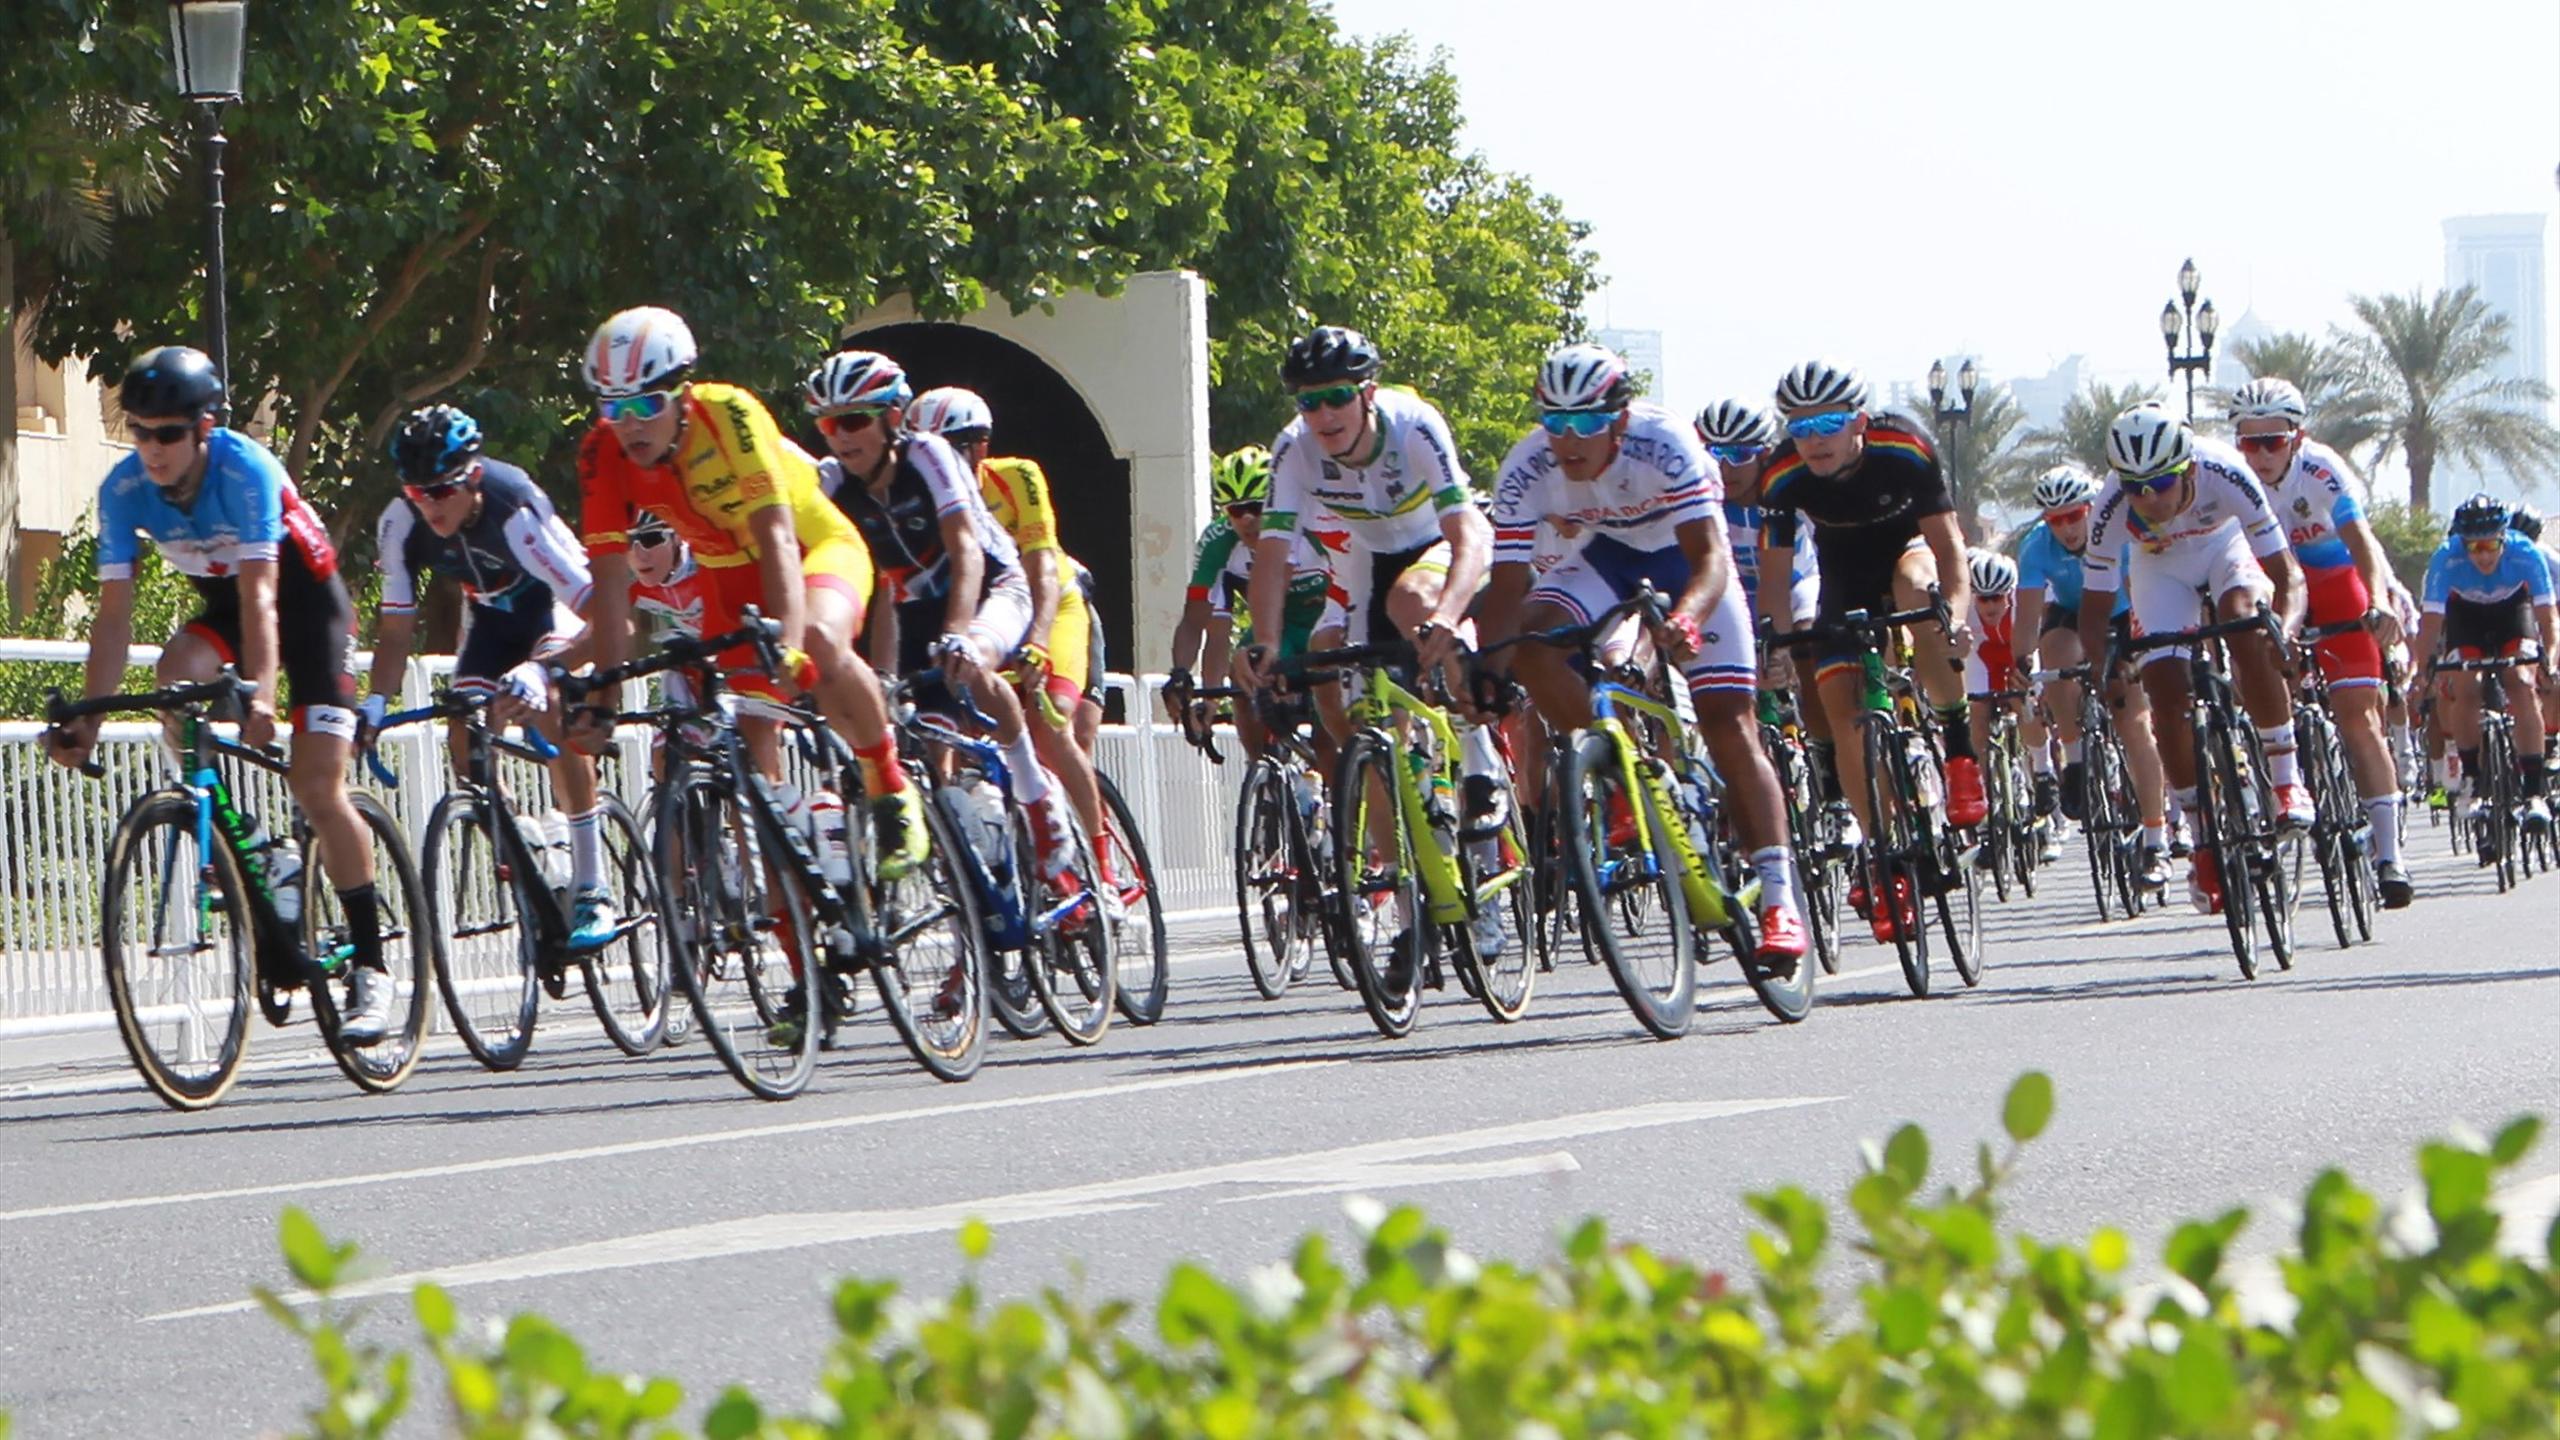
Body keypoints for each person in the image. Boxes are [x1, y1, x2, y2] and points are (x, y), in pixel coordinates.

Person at [49, 346, 395, 1041]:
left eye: (168, 433)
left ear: (204, 429)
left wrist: (262, 696)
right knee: (173, 673)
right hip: (228, 609)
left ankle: (373, 967)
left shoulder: (245, 468)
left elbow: (264, 595)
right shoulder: (124, 490)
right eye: (139, 431)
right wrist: (85, 718)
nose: (152, 447)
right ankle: (258, 850)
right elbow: (114, 617)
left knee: (318, 785)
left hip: (306, 607)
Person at [1478, 344, 1807, 962]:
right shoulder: (1527, 467)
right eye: (1555, 422)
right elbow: (1506, 587)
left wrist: (1685, 618)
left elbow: (1711, 559)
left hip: (1684, 561)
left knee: (1729, 722)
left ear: (1620, 420)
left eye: (1586, 424)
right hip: (1608, 557)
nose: (1568, 441)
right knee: (1529, 639)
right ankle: (1618, 772)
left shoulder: (1666, 442)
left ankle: (1780, 901)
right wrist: (1487, 673)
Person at [572, 307, 922, 879]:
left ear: (681, 394)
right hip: (725, 575)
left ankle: (888, 784)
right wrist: (604, 701)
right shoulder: (600, 453)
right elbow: (612, 590)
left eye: (645, 405)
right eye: (613, 408)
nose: (629, 424)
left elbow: (777, 535)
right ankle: (801, 920)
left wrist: (788, 641)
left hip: (812, 549)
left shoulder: (729, 413)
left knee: (816, 641)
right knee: (756, 771)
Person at [808, 350, 1086, 884]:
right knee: (923, 729)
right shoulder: (833, 483)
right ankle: (964, 876)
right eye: (827, 424)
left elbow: (965, 549)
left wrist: (960, 632)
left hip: (992, 586)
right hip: (918, 608)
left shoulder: (929, 455)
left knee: (973, 662)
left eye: (853, 420)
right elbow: (871, 587)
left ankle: (1036, 794)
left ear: (892, 418)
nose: (840, 437)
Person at [360, 404, 619, 948]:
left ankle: (594, 887)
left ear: (472, 477)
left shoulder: (515, 510)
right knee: (465, 737)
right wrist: (375, 704)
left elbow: (605, 619)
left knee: (552, 717)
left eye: (440, 491)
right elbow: (395, 631)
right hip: (492, 621)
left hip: (553, 611)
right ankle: (526, 853)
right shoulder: (401, 523)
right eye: (415, 491)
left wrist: (544, 669)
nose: (428, 504)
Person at [1242, 325, 1506, 832]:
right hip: (1372, 554)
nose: (1324, 415)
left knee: (1411, 600)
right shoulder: (1294, 449)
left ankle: (1478, 758)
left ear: (1367, 393)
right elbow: (1273, 554)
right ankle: (1419, 870)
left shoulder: (1413, 425)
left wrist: (1448, 615)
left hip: (1439, 542)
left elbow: (1466, 528)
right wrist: (1267, 641)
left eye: (1338, 397)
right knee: (1371, 717)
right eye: (1309, 402)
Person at [1757, 359, 1978, 941]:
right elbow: (1775, 580)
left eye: (1827, 423)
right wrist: (1779, 646)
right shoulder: (1782, 473)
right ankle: (1882, 851)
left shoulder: (1903, 445)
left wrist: (1954, 616)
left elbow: (1949, 546)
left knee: (1915, 589)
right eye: (1799, 428)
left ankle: (1958, 750)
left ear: (1858, 420)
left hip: (1909, 552)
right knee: (1841, 708)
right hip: (1842, 576)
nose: (1813, 441)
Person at [2079, 403, 2305, 916]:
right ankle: (2201, 832)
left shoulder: (2224, 469)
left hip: (2225, 549)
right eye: (2135, 486)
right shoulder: (2111, 507)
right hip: (2160, 569)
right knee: (2162, 684)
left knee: (2244, 619)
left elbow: (2288, 575)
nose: (2148, 498)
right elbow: (2092, 618)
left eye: (2160, 483)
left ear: (2187, 470)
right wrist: (2105, 667)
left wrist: (2285, 634)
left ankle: (2287, 781)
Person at [901, 385, 1114, 866]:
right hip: (986, 618)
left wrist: (1037, 642)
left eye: (949, 449)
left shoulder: (1018, 478)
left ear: (979, 448)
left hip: (1050, 606)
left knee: (1051, 724)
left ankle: (1103, 868)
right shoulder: (917, 498)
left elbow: (1039, 568)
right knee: (956, 731)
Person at [2227, 377, 2413, 908]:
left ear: (2298, 436)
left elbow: (2361, 542)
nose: (2260, 455)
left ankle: (2388, 854)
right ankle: (2280, 792)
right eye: (2249, 442)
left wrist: (2377, 601)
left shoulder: (2322, 469)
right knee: (2255, 681)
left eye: (2273, 442)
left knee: (2357, 716)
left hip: (2337, 584)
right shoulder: (2233, 478)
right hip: (2275, 589)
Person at [2015, 464, 2174, 888]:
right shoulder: (2035, 548)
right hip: (2072, 613)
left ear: (2091, 508)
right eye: (2055, 520)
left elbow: (2139, 594)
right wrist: (2021, 663)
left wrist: (2134, 653)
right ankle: (2076, 759)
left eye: (2074, 515)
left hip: (2124, 611)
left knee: (2133, 720)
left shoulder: (2117, 532)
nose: (2066, 528)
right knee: (2055, 653)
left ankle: (2156, 836)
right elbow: (2029, 618)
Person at [1166, 445, 1349, 758]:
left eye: (1257, 506)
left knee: (1325, 742)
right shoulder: (1218, 543)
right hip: (1280, 629)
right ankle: (1260, 767)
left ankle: (1338, 783)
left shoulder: (1311, 526)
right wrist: (1185, 679)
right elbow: (1205, 624)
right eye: (1236, 511)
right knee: (1244, 668)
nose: (1248, 519)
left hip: (1328, 621)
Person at [2414, 493, 2558, 851]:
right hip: (2467, 618)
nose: (2482, 555)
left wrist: (2551, 658)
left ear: (2503, 538)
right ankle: (2474, 780)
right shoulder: (2446, 558)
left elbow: (2547, 617)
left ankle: (2534, 791)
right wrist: (2423, 671)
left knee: (2522, 684)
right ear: (2462, 543)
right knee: (2467, 687)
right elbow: (2431, 625)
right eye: (2474, 546)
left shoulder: (2526, 553)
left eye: (2490, 544)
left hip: (2513, 615)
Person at [1958, 550, 2058, 865]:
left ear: (2009, 594)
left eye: (1997, 598)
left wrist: (2028, 677)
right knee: (1976, 714)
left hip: (2020, 651)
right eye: (1982, 599)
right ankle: (1989, 805)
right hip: (1982, 656)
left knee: (2022, 700)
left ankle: (2043, 772)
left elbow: (2039, 640)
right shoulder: (1968, 610)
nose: (1989, 606)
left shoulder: (2022, 605)